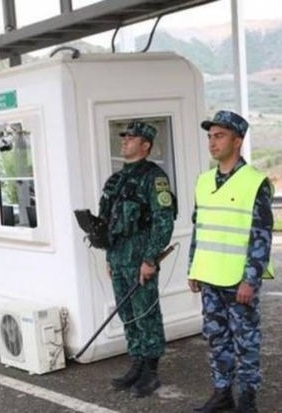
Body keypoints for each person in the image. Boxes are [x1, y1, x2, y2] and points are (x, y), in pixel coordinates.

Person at [188, 110, 274, 413]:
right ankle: (223, 393)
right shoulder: (203, 181)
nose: (212, 142)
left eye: (219, 136)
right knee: (216, 339)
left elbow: (261, 235)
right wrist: (193, 268)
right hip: (210, 275)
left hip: (239, 281)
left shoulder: (255, 182)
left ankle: (247, 399)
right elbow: (199, 229)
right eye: (210, 136)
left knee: (246, 341)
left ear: (237, 141)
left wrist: (250, 279)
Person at [98, 120, 176, 397]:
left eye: (131, 138)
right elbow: (108, 222)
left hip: (140, 258)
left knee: (146, 314)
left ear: (146, 145)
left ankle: (151, 372)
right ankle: (137, 362)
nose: (125, 141)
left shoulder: (154, 178)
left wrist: (150, 259)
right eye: (125, 137)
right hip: (119, 258)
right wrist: (109, 256)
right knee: (127, 314)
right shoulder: (116, 179)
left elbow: (163, 221)